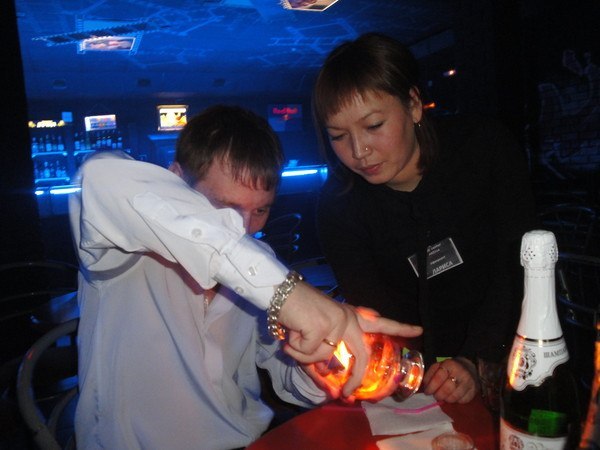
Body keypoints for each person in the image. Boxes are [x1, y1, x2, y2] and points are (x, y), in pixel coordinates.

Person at [69, 105, 421, 449]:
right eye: (225, 208)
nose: (243, 228)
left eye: (260, 210)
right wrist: (288, 295)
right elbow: (98, 176)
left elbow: (287, 378)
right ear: (176, 179)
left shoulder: (263, 264)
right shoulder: (122, 253)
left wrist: (318, 366)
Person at [312, 33, 538, 404]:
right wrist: (415, 371)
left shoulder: (484, 149)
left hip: (512, 348)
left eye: (373, 126)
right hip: (414, 374)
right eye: (338, 136)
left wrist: (476, 358)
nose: (358, 151)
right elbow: (375, 310)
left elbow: (517, 266)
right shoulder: (340, 205)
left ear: (414, 105)